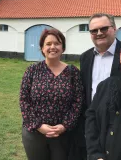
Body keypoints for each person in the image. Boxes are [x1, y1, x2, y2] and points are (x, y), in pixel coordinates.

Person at [20, 28, 83, 160]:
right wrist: (38, 126)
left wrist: (64, 125)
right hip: (34, 133)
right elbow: (24, 100)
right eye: (48, 44)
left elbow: (78, 102)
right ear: (42, 48)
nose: (52, 47)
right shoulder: (32, 70)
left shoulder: (72, 72)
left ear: (63, 48)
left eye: (57, 43)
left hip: (62, 134)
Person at [72, 13, 121, 160]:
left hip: (119, 121)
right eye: (94, 30)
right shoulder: (85, 57)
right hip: (92, 121)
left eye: (104, 28)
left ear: (114, 29)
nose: (99, 33)